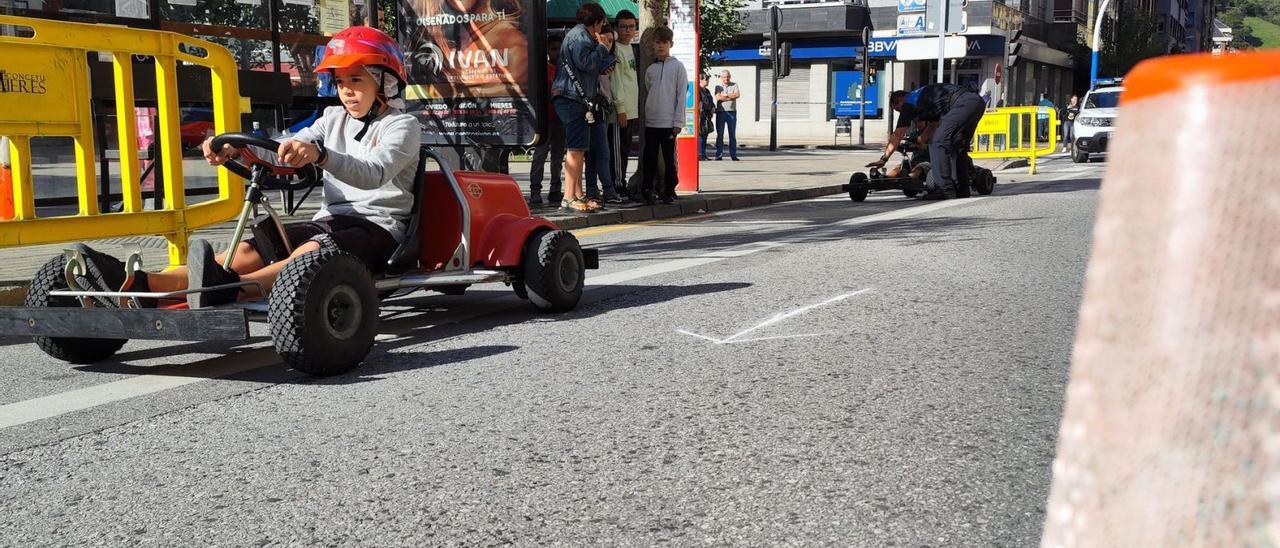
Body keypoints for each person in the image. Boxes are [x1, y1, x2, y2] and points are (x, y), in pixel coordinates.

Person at [68, 26, 422, 309]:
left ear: (385, 81)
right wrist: (238, 150)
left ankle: (229, 291)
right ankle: (141, 283)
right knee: (251, 249)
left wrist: (321, 156)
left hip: (379, 228)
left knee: (310, 252)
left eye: (356, 80)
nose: (346, 91)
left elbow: (375, 172)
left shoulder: (402, 126)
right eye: (341, 82)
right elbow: (282, 149)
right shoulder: (331, 119)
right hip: (329, 221)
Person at [869, 83, 984, 200]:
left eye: (898, 109)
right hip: (975, 103)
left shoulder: (909, 102)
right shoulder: (925, 99)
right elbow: (934, 125)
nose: (900, 112)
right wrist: (919, 140)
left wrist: (884, 159)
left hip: (962, 103)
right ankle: (961, 189)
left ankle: (944, 188)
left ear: (900, 100)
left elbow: (897, 134)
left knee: (938, 142)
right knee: (957, 146)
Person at [551, 3, 615, 213]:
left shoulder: (577, 34)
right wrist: (603, 48)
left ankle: (577, 194)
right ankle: (568, 197)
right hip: (572, 97)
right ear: (595, 22)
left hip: (576, 98)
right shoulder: (580, 37)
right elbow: (586, 63)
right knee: (575, 150)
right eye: (601, 23)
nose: (602, 28)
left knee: (580, 148)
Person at [639, 26, 687, 205]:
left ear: (671, 44)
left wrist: (678, 121)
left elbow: (682, 95)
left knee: (669, 157)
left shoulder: (678, 67)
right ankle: (647, 189)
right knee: (649, 156)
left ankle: (669, 189)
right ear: (653, 44)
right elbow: (648, 89)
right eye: (658, 42)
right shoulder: (650, 69)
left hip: (669, 122)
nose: (661, 46)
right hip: (652, 120)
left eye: (664, 42)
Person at [583, 24, 619, 208]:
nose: (609, 44)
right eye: (606, 40)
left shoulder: (609, 58)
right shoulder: (596, 58)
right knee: (600, 153)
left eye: (612, 41)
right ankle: (607, 190)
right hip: (593, 108)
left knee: (597, 153)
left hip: (603, 108)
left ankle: (593, 190)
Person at [528, 33, 565, 205]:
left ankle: (555, 189)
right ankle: (535, 190)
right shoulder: (543, 70)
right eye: (553, 49)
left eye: (559, 48)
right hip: (545, 118)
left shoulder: (565, 69)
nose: (557, 52)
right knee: (540, 155)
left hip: (561, 118)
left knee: (558, 156)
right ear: (548, 51)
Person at [609, 9, 640, 199]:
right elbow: (616, 81)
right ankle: (617, 185)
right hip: (619, 111)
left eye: (631, 27)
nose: (628, 31)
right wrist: (620, 108)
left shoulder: (631, 48)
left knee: (626, 148)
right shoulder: (616, 49)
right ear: (616, 28)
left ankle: (621, 182)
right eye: (623, 27)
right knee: (617, 150)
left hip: (632, 109)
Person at [713, 69, 740, 161]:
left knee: (732, 134)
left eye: (728, 76)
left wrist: (725, 95)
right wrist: (730, 97)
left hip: (732, 112)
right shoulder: (718, 87)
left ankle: (733, 154)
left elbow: (737, 95)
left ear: (730, 76)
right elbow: (718, 98)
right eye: (724, 77)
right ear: (721, 78)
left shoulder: (734, 85)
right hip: (721, 112)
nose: (726, 78)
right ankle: (719, 154)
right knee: (720, 134)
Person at [697, 72, 715, 161]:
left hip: (707, 116)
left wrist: (713, 107)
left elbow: (710, 102)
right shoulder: (698, 90)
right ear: (701, 80)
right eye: (706, 79)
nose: (708, 81)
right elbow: (701, 103)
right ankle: (699, 154)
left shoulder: (707, 91)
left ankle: (703, 154)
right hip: (701, 116)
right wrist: (708, 107)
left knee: (705, 135)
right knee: (700, 135)